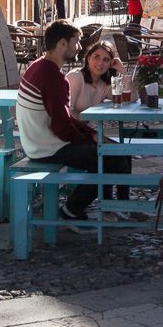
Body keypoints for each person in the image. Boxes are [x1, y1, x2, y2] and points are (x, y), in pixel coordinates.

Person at [17, 21, 132, 225]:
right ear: (63, 43)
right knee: (111, 158)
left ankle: (114, 209)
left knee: (112, 152)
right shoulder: (52, 76)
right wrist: (90, 140)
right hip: (47, 147)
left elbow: (64, 119)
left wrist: (91, 135)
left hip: (39, 142)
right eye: (76, 42)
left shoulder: (39, 67)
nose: (79, 47)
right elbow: (61, 127)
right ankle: (71, 210)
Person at [65, 40, 132, 207]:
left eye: (106, 59)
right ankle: (108, 207)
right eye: (96, 57)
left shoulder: (104, 84)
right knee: (111, 156)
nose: (100, 63)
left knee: (124, 152)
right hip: (68, 135)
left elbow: (131, 98)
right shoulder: (75, 78)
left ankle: (123, 206)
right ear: (87, 58)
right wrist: (92, 135)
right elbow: (65, 114)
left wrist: (122, 71)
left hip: (85, 134)